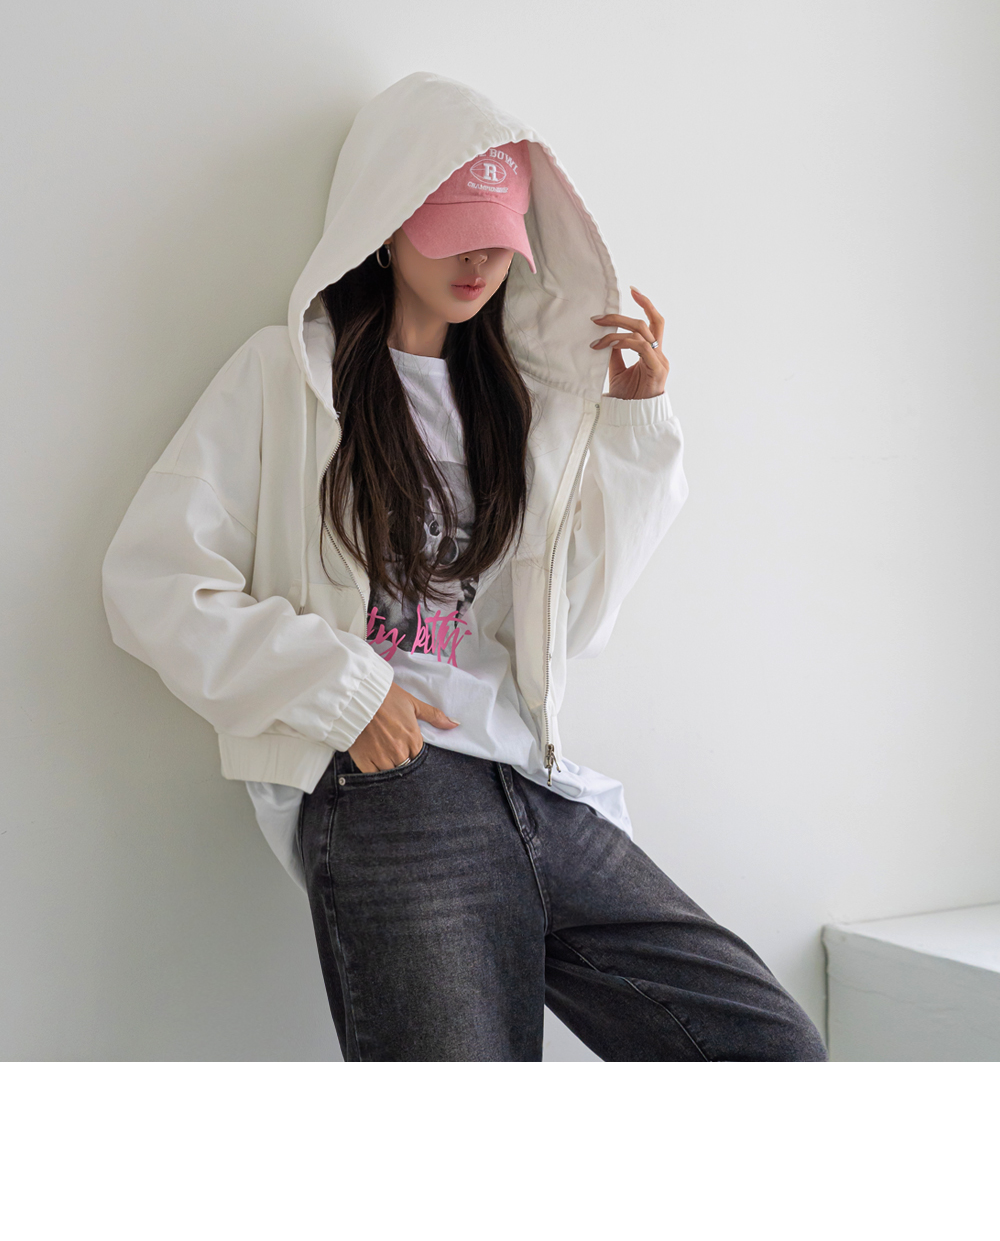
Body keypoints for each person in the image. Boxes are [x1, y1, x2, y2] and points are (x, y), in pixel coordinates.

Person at [102, 70, 827, 1062]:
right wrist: (348, 691)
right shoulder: (285, 376)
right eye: (453, 230)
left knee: (772, 1049)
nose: (481, 258)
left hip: (532, 778)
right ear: (384, 222)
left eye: (498, 234)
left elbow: (574, 623)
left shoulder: (517, 402)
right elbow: (153, 581)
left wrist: (632, 427)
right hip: (394, 785)